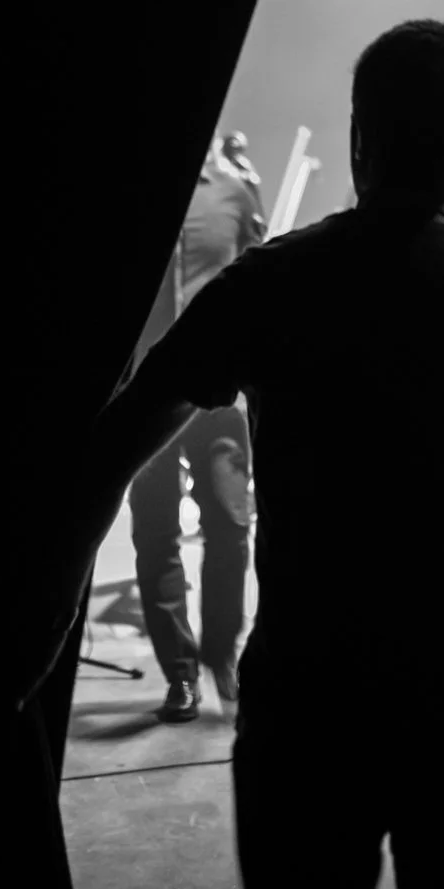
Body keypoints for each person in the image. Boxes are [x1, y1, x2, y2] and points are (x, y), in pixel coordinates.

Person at [54, 20, 444, 889]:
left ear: (357, 131)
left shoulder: (270, 284)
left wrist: (34, 627)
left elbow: (114, 446)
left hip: (308, 713)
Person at [126, 133, 269, 722]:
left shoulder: (234, 194)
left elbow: (264, 283)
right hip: (147, 391)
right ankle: (179, 675)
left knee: (230, 526)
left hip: (219, 394)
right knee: (155, 534)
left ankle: (221, 655)